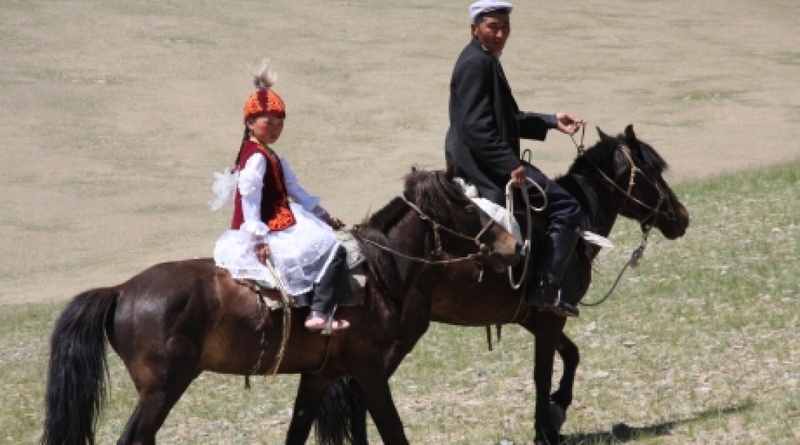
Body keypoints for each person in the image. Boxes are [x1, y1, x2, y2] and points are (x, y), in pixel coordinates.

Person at [444, 0, 583, 317]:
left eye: (505, 27)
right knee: (567, 206)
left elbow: (507, 118)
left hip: (488, 158)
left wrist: (550, 121)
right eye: (493, 26)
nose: (500, 34)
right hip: (482, 165)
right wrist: (510, 164)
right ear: (474, 28)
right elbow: (476, 128)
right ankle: (545, 290)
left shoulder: (485, 59)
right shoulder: (475, 64)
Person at [211, 58, 351, 332]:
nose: (275, 129)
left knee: (322, 241)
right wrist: (258, 238)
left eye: (280, 124)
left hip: (278, 219)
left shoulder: (261, 154)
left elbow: (296, 191)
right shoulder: (257, 158)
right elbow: (249, 200)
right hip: (269, 227)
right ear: (250, 122)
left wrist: (324, 215)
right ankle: (319, 312)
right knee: (334, 250)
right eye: (268, 122)